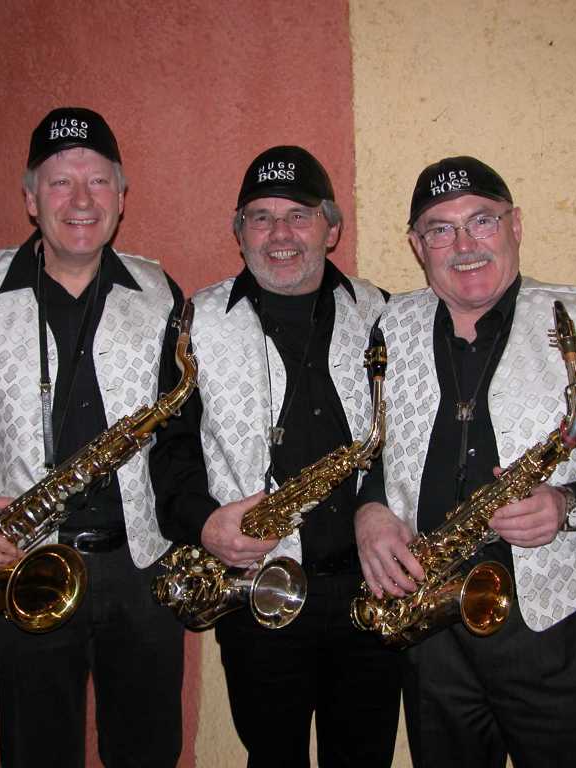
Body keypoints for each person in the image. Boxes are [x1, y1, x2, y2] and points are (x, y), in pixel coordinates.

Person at [355, 156, 576, 768]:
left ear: (516, 226)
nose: (464, 245)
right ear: (417, 246)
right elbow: (366, 449)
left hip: (553, 635)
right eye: (440, 229)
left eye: (482, 220)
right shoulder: (387, 328)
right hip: (430, 629)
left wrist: (568, 504)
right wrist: (370, 510)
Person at [0, 107, 184, 768]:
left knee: (148, 753)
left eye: (98, 181)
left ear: (122, 197)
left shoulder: (162, 294)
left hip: (141, 573)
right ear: (30, 199)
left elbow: (182, 437)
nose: (81, 200)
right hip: (18, 568)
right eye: (60, 182)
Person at [154, 146, 400, 768]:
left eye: (299, 215)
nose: (280, 234)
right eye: (261, 217)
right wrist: (205, 524)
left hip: (371, 589)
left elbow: (410, 437)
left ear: (331, 228)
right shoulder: (193, 322)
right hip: (256, 592)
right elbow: (171, 449)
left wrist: (379, 506)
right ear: (239, 232)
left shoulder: (386, 314)